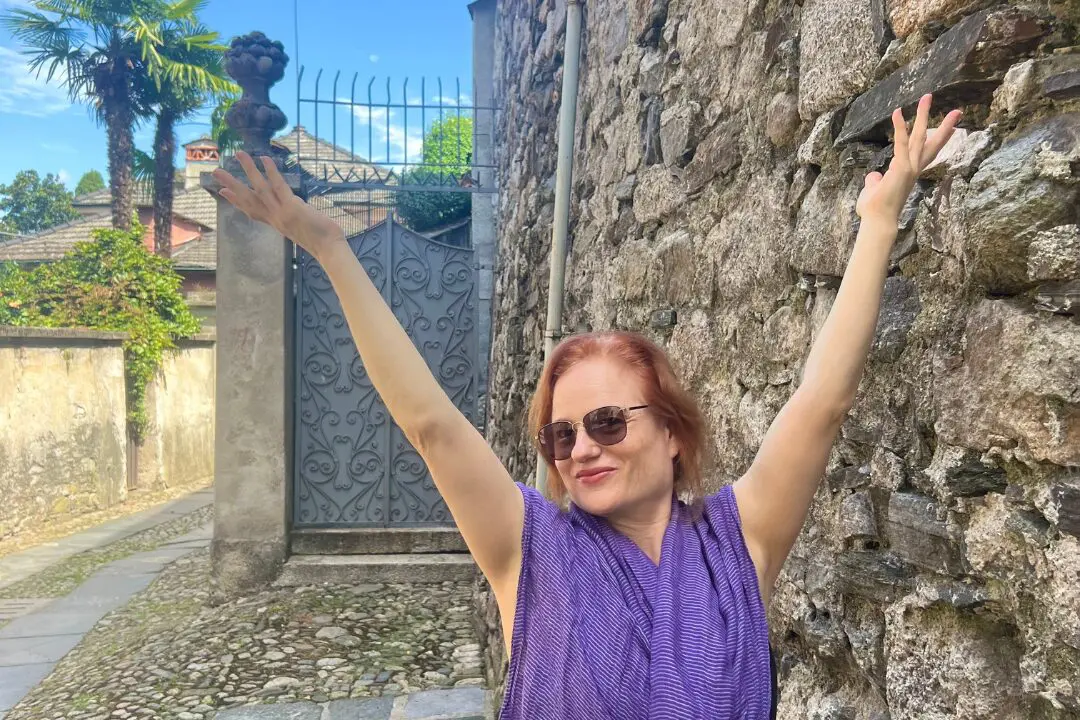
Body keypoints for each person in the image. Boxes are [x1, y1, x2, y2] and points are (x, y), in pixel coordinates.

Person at [214, 94, 961, 719]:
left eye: (607, 422)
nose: (581, 449)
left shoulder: (742, 540)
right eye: (561, 435)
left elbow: (821, 403)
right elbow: (432, 425)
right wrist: (331, 250)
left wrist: (879, 221)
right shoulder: (528, 550)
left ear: (671, 433)